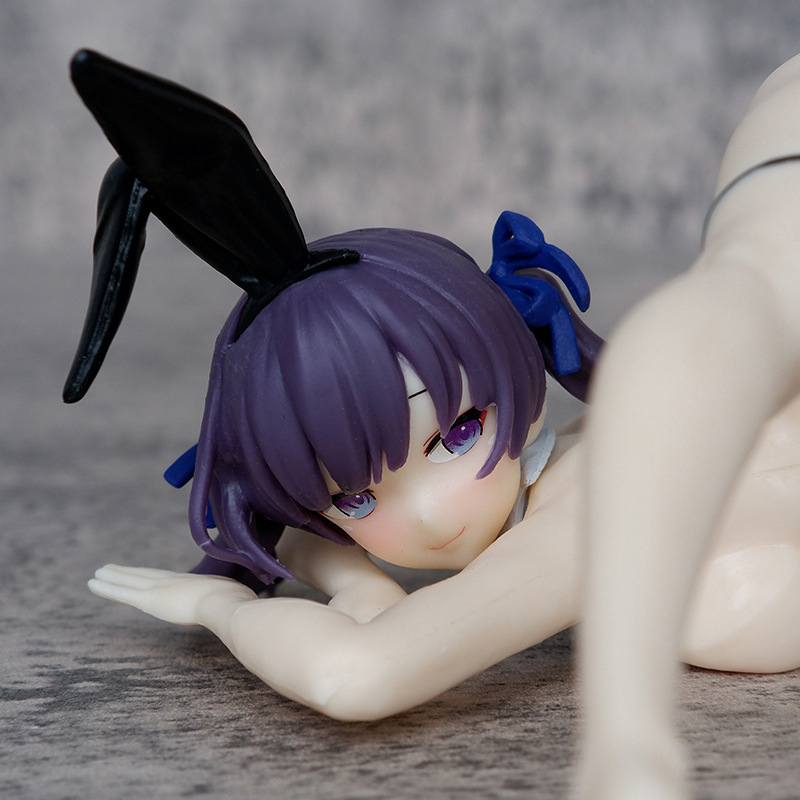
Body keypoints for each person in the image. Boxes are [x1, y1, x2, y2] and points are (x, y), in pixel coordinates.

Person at [71, 49, 800, 788]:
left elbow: (353, 675)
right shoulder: (605, 459)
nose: (427, 517)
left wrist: (219, 606)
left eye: (458, 433)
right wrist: (357, 583)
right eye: (355, 499)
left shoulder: (577, 526)